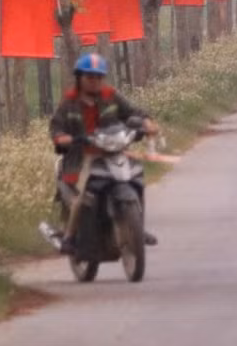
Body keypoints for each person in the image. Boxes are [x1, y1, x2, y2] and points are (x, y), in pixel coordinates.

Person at [50, 52, 158, 253]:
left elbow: (134, 112)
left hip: (113, 152)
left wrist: (146, 123)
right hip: (82, 157)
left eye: (99, 77)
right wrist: (64, 138)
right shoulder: (69, 102)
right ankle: (70, 238)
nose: (95, 82)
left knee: (135, 180)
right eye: (90, 77)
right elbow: (56, 127)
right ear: (79, 78)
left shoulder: (111, 95)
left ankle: (137, 228)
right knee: (81, 196)